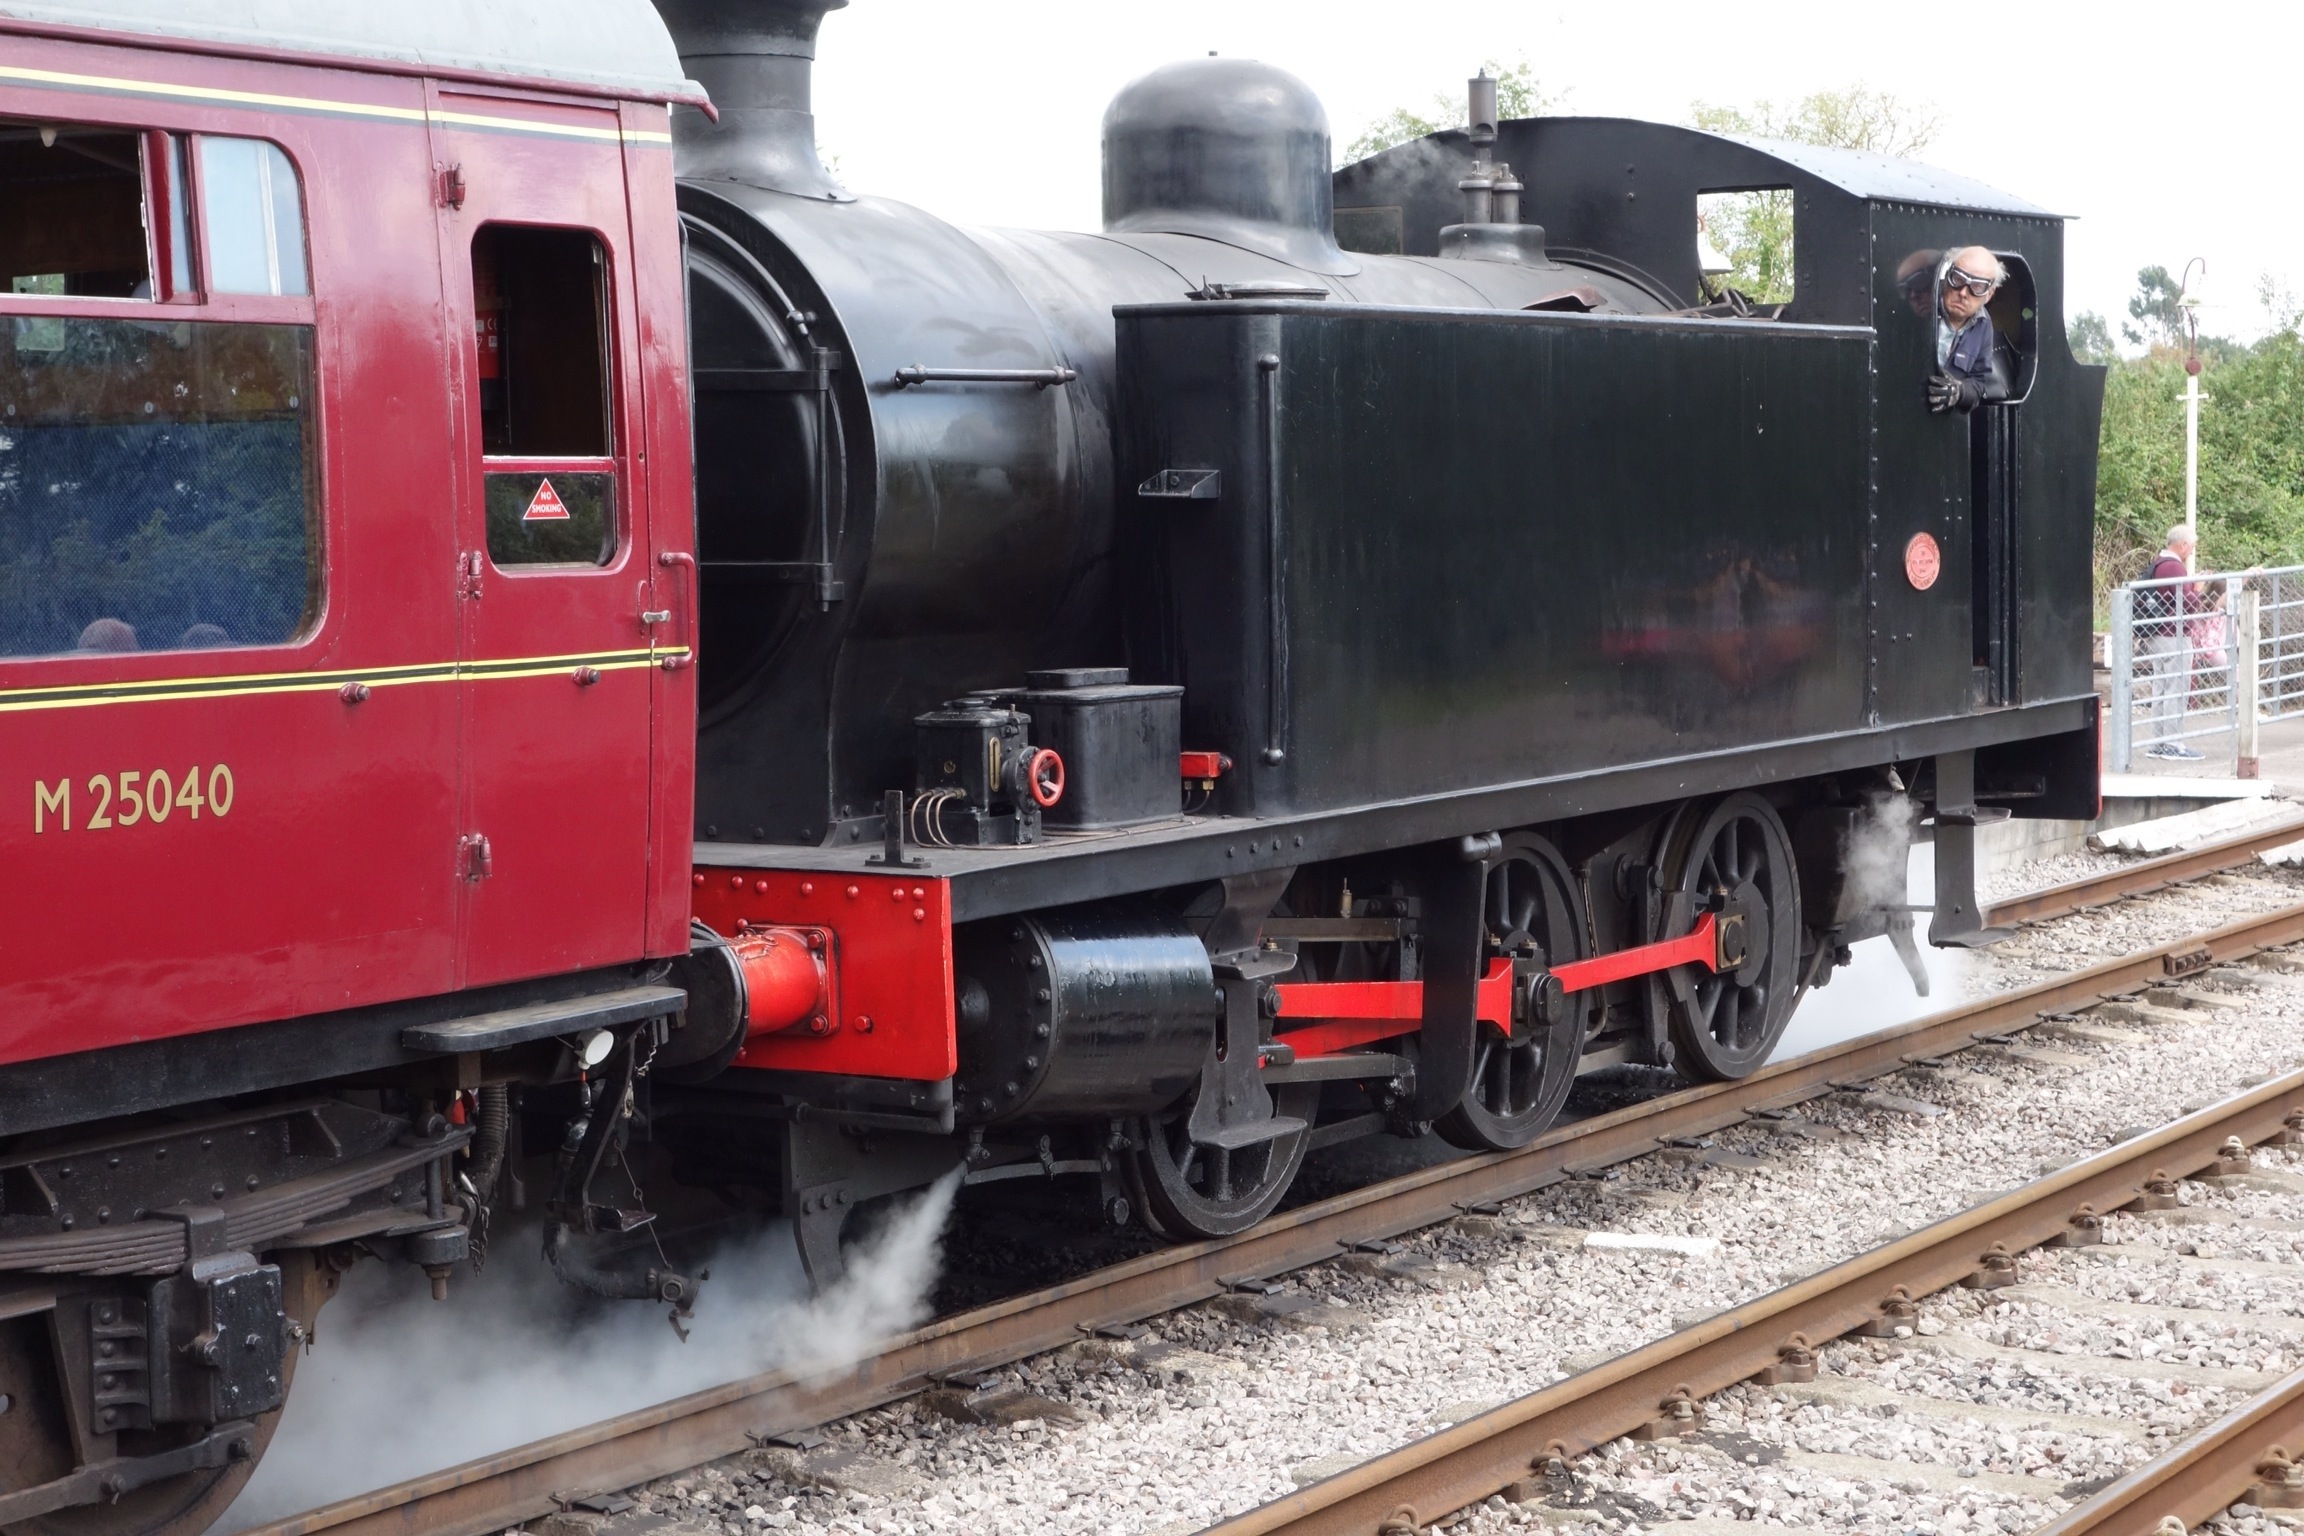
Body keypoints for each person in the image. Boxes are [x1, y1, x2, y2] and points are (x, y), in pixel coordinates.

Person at [2135, 525, 2205, 760]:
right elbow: (2187, 603)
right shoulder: (2174, 567)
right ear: (2183, 545)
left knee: (2161, 688)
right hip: (2173, 635)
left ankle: (2158, 743)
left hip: (2156, 634)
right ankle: (2172, 744)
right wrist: (2197, 589)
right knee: (2176, 688)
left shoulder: (2158, 563)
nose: (2191, 552)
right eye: (2191, 547)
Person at [1926, 246, 2009, 414]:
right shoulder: (1922, 306)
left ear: (1989, 294)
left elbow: (1979, 381)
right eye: (1958, 279)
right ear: (1947, 276)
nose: (1963, 293)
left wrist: (1959, 391)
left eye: (1977, 286)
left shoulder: (1983, 325)